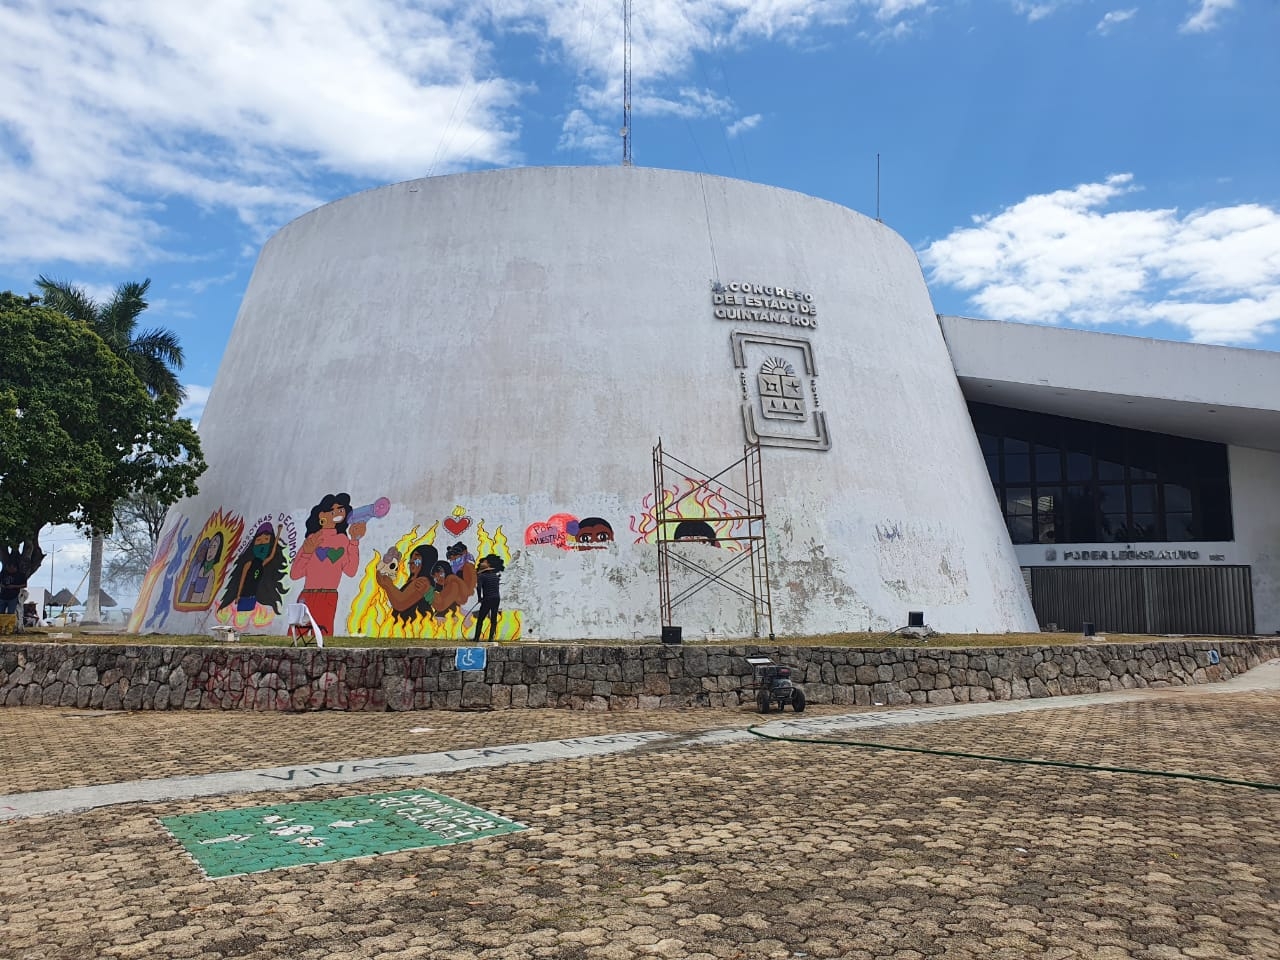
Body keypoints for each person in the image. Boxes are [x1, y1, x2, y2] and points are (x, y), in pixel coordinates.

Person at [290, 493, 367, 636]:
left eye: (341, 510)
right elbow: (295, 574)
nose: (337, 513)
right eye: (333, 510)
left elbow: (350, 571)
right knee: (297, 634)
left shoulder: (342, 540)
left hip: (329, 596)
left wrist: (354, 542)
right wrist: (307, 553)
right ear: (321, 515)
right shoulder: (312, 539)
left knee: (323, 633)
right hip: (307, 594)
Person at [376, 544, 438, 622]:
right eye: (411, 558)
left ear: (427, 561)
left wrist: (388, 585)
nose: (411, 562)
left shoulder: (422, 581)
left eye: (416, 559)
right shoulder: (413, 580)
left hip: (415, 627)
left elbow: (400, 603)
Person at [472, 554, 504, 642]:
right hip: (496, 598)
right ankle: (491, 638)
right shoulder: (495, 576)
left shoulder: (481, 576)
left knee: (481, 618)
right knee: (493, 618)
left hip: (487, 598)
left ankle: (476, 638)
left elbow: (479, 587)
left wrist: (479, 598)